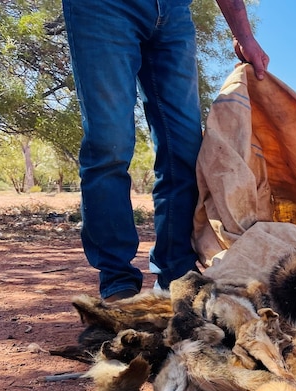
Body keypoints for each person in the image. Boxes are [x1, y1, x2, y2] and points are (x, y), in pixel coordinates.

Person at [61, 0, 269, 302]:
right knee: (109, 144)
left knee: (184, 149)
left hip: (173, 12)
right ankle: (117, 282)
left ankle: (177, 275)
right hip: (102, 7)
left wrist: (244, 35)